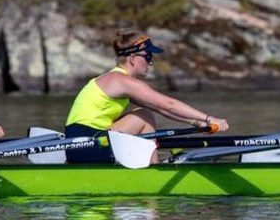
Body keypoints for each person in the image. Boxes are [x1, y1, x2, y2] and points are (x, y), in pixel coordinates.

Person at [64, 28, 230, 163]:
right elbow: (168, 104)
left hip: (78, 147)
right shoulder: (121, 81)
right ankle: (152, 169)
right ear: (133, 58)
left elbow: (161, 108)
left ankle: (149, 165)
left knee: (145, 111)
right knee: (144, 116)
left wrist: (197, 122)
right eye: (148, 56)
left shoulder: (111, 79)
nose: (151, 62)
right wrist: (210, 119)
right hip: (90, 146)